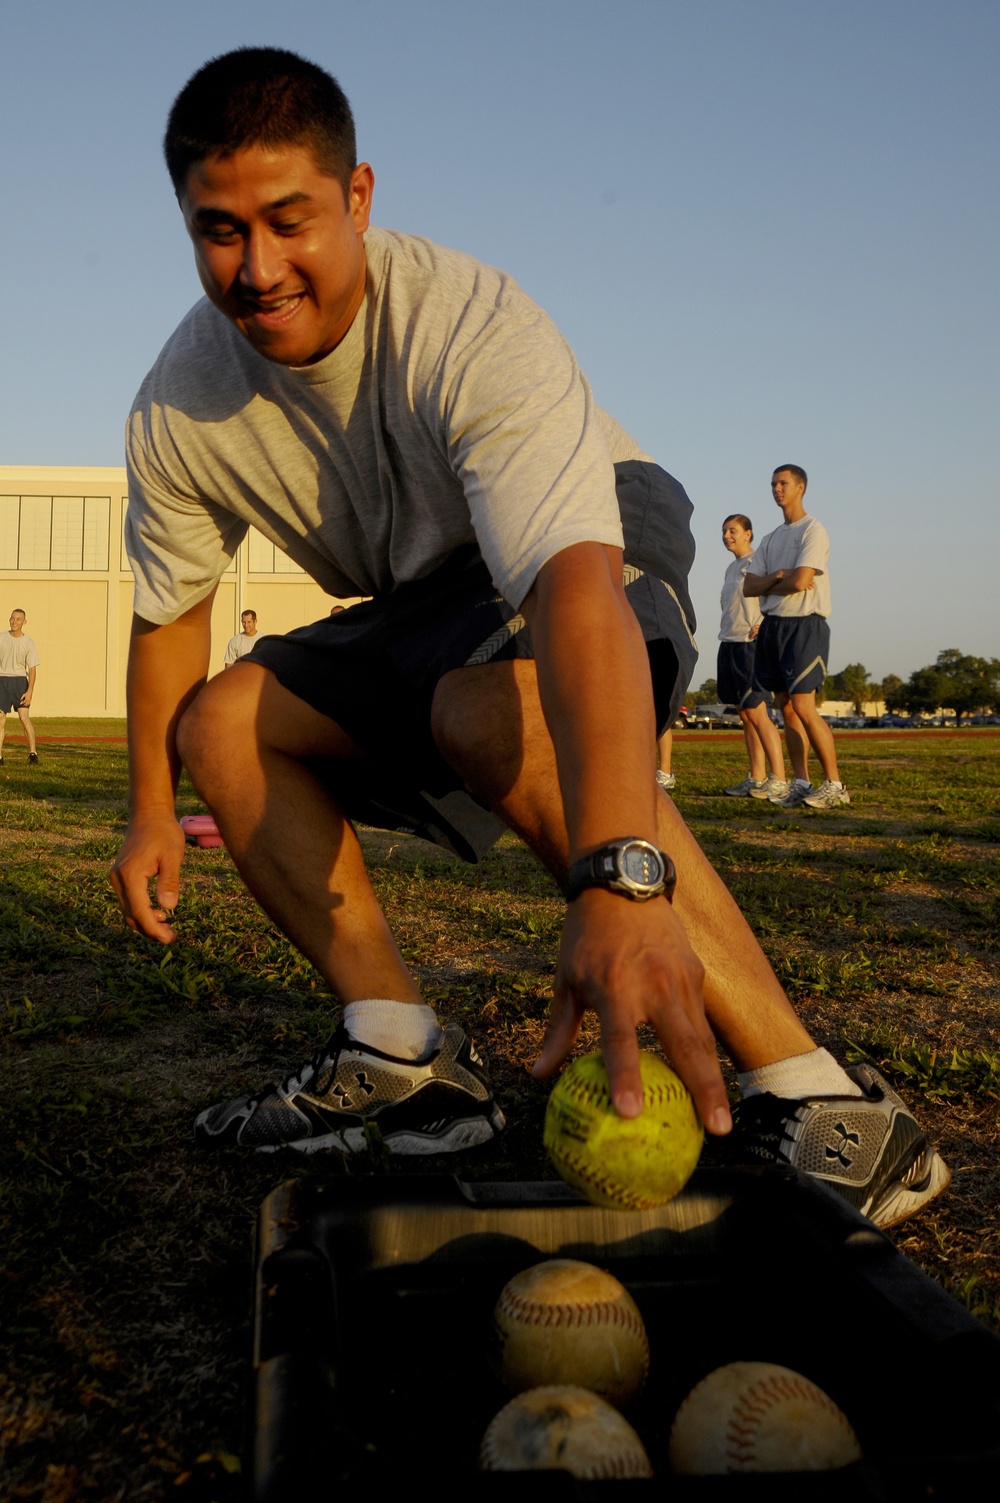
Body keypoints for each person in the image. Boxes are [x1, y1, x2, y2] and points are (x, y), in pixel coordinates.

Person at [109, 49, 945, 1228]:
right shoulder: (180, 401)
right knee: (223, 724)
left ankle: (819, 1102)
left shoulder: (469, 323)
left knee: (490, 704)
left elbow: (569, 590)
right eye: (219, 230)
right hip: (423, 593)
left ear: (357, 198)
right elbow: (169, 613)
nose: (257, 268)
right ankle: (401, 1056)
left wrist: (618, 876)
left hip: (593, 533)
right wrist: (152, 804)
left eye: (288, 220)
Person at [744, 468, 849, 810]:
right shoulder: (771, 539)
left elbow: (802, 580)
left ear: (801, 488)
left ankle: (835, 784)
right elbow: (749, 586)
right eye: (773, 484)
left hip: (804, 625)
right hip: (773, 625)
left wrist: (773, 582)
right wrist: (778, 575)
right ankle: (801, 782)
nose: (777, 489)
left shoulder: (813, 530)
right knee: (786, 707)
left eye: (783, 483)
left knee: (804, 706)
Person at [717, 515, 787, 800]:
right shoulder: (732, 567)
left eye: (732, 530)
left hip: (750, 644)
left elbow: (780, 588)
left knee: (758, 713)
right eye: (723, 531)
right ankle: (756, 776)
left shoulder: (758, 562)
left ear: (748, 533)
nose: (726, 536)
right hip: (729, 641)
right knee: (746, 715)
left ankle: (779, 778)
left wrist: (765, 622)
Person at [0, 609, 40, 765]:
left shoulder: (28, 643)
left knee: (24, 718)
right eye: (12, 618)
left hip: (20, 682)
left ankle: (33, 753)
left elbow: (32, 669)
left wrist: (29, 691)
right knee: (1, 719)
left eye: (18, 619)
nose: (14, 621)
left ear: (24, 622)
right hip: (2, 680)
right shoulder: (1, 638)